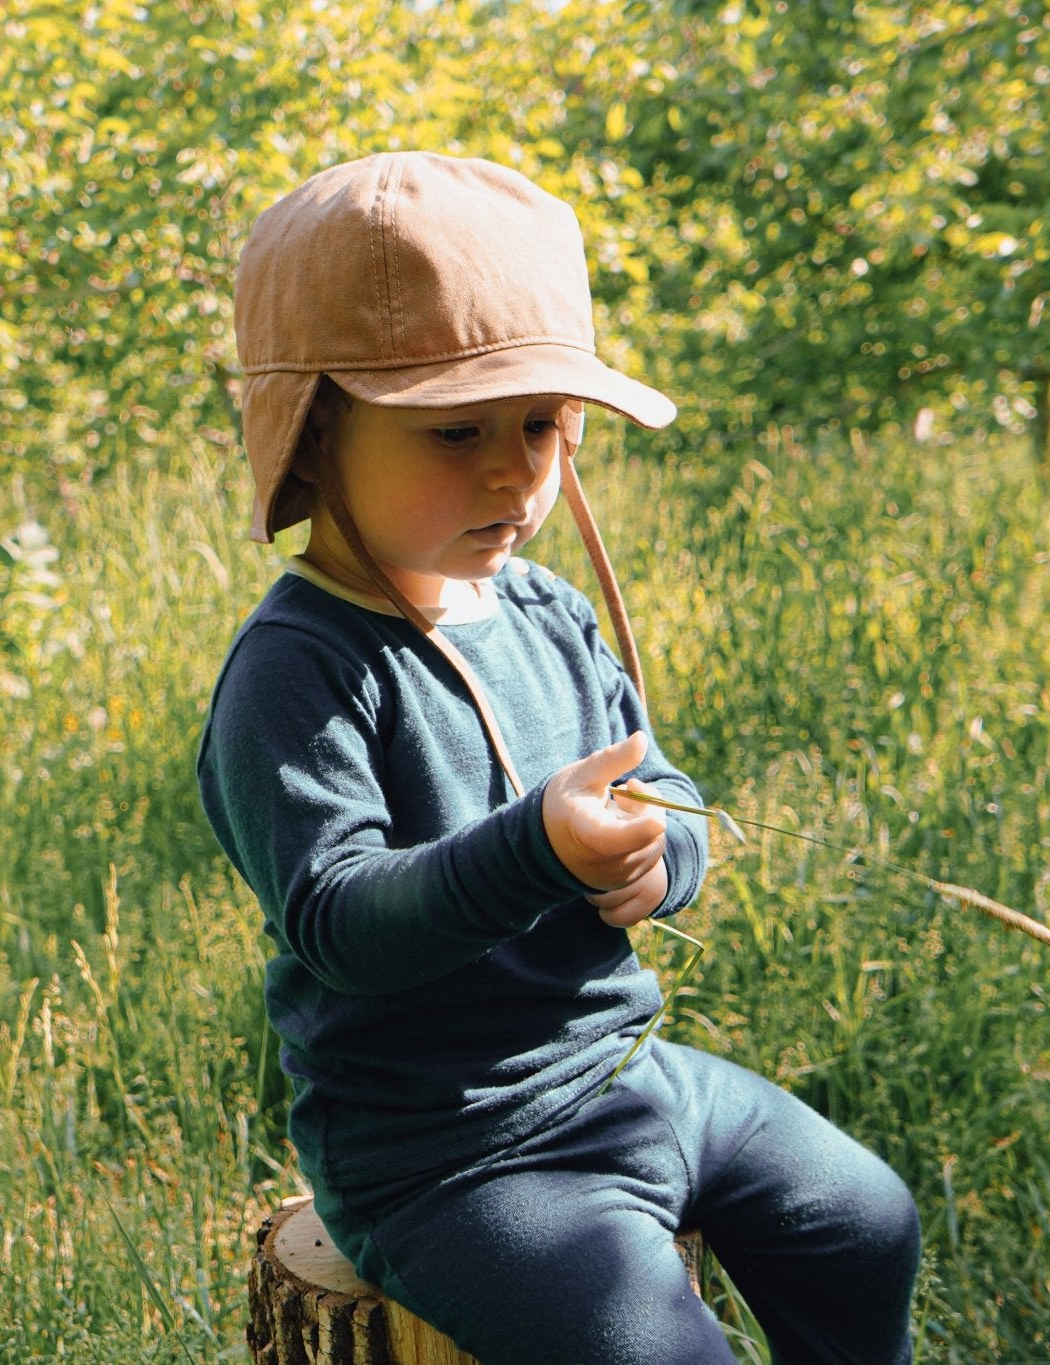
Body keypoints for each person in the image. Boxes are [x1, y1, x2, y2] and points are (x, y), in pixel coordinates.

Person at [197, 151, 921, 1364]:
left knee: (862, 1218)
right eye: (454, 432)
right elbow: (334, 916)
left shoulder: (540, 608)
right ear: (314, 437)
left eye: (542, 424)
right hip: (450, 1153)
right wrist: (531, 850)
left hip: (625, 1073)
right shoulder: (299, 667)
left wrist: (657, 853)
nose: (511, 470)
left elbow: (655, 778)